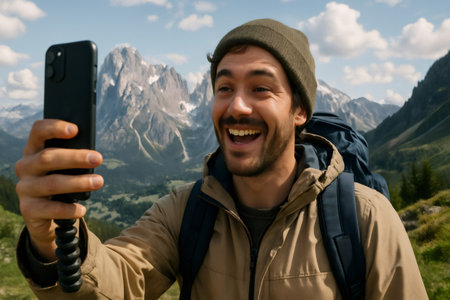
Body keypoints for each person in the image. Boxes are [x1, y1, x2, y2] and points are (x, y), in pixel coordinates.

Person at [15, 19, 427, 299]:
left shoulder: (366, 218)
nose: (237, 107)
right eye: (224, 87)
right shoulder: (185, 211)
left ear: (300, 111)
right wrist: (50, 238)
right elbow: (116, 281)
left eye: (261, 88)